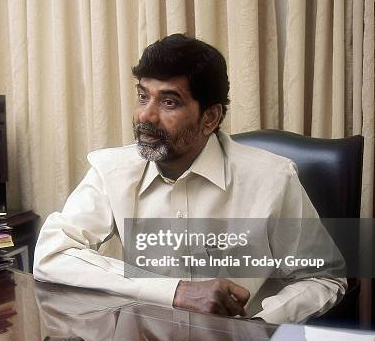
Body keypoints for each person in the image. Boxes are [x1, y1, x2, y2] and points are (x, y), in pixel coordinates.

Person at [33, 34, 346, 324]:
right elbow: (53, 254)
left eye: (168, 102)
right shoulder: (112, 170)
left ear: (209, 117)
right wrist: (175, 290)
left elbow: (324, 278)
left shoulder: (272, 179)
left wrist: (259, 327)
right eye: (143, 97)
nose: (145, 116)